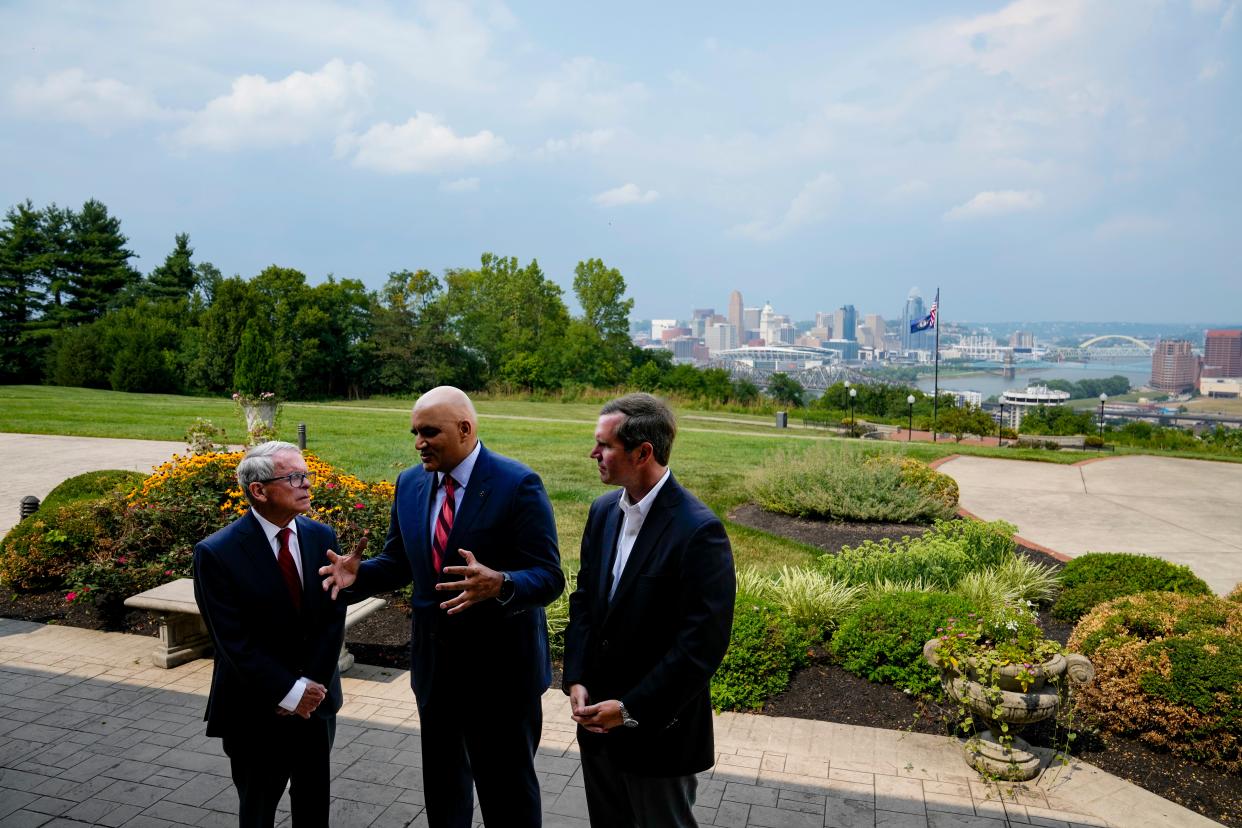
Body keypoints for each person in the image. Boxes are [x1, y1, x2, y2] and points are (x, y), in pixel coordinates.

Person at [319, 386, 564, 828]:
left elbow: (549, 577)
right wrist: (362, 575)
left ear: (465, 429)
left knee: (507, 794)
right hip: (436, 671)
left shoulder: (517, 484)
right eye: (415, 432)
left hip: (501, 675)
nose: (418, 443)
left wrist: (503, 583)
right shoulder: (410, 483)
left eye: (429, 432)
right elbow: (399, 561)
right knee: (444, 790)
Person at [564, 393, 736, 828]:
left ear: (643, 453)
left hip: (660, 736)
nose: (593, 453)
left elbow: (701, 647)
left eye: (604, 445)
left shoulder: (699, 530)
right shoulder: (603, 511)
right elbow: (584, 602)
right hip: (597, 732)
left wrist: (628, 709)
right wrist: (578, 676)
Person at [193, 440, 348, 828]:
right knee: (258, 810)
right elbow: (232, 641)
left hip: (317, 704)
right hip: (255, 710)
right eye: (294, 477)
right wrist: (288, 692)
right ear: (258, 490)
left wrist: (309, 688)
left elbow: (332, 618)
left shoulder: (320, 536)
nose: (307, 484)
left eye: (307, 475)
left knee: (314, 809)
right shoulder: (216, 553)